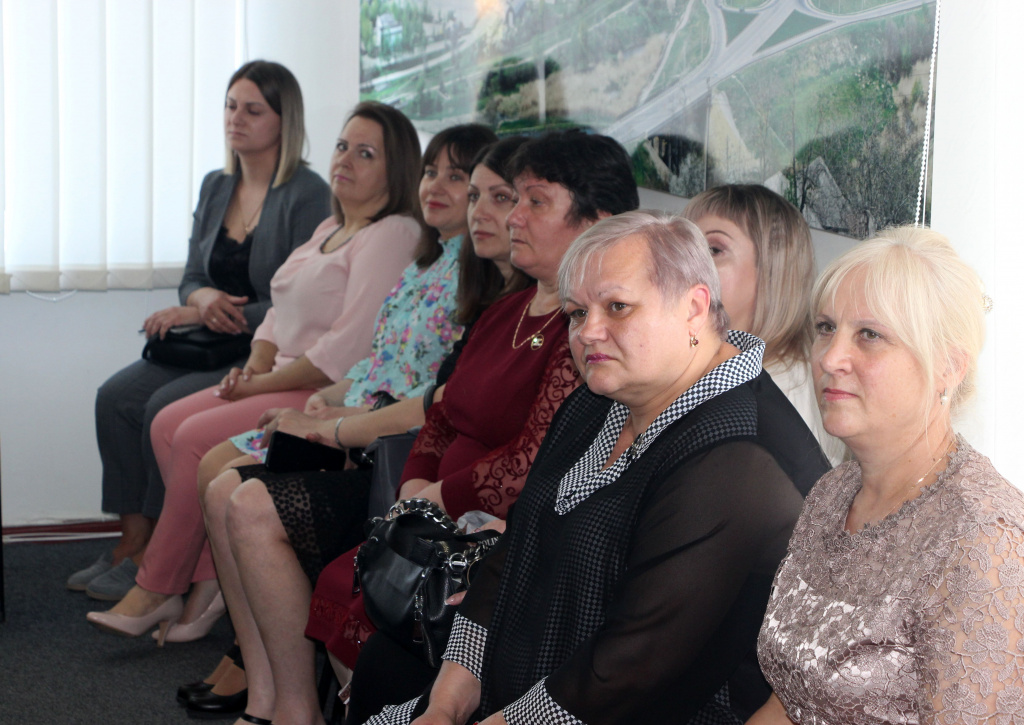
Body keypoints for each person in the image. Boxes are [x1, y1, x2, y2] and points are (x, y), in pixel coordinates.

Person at [201, 130, 639, 725]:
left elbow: (531, 463)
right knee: (337, 563)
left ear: (598, 223)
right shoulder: (506, 311)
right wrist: (413, 489)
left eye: (533, 202)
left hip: (487, 529)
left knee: (355, 581)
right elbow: (441, 414)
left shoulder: (582, 333)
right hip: (428, 509)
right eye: (513, 199)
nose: (513, 217)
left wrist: (431, 499)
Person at [363, 211, 830, 725]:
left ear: (694, 308)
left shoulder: (741, 459)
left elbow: (634, 666)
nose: (588, 333)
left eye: (617, 307)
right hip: (517, 693)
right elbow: (515, 551)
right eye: (576, 312)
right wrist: (445, 706)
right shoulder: (599, 398)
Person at [86, 100, 424, 643]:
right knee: (165, 424)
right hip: (280, 373)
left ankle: (159, 585)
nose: (345, 160)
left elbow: (350, 344)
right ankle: (208, 580)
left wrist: (259, 383)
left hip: (321, 389)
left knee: (191, 438)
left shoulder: (392, 233)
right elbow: (278, 309)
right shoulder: (331, 226)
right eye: (343, 147)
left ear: (397, 169)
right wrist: (255, 363)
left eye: (366, 154)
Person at [70, 60, 331, 600]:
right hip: (204, 344)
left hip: (261, 351)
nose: (236, 119)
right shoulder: (217, 185)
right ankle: (131, 540)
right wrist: (201, 300)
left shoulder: (307, 194)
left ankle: (159, 559)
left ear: (284, 120)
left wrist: (203, 312)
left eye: (253, 110)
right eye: (230, 107)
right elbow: (192, 276)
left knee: (157, 409)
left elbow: (298, 299)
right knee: (113, 398)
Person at [752, 227, 1022, 724]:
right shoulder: (834, 491)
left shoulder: (981, 538)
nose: (830, 358)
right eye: (826, 327)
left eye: (869, 335)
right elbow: (787, 700)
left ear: (948, 366)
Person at [684, 184, 844, 464]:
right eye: (683, 249)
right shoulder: (720, 372)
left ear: (773, 270)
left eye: (713, 249)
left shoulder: (781, 400)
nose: (685, 266)